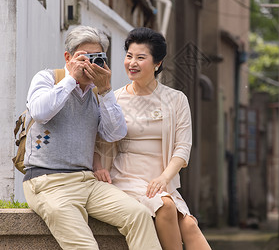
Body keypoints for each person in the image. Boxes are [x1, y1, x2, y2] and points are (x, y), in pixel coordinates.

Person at [22, 25, 162, 250]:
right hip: (47, 182)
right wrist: (71, 80)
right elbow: (39, 112)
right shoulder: (48, 78)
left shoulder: (97, 93)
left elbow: (115, 133)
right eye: (83, 58)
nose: (89, 64)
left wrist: (106, 90)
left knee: (139, 215)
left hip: (87, 181)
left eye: (96, 58)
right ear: (68, 57)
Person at [94, 27, 211, 250]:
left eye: (141, 57)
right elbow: (98, 140)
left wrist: (163, 179)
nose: (132, 63)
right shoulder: (114, 99)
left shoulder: (176, 99)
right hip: (127, 176)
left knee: (189, 225)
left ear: (157, 63)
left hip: (161, 180)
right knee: (166, 206)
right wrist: (98, 165)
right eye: (129, 56)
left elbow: (183, 148)